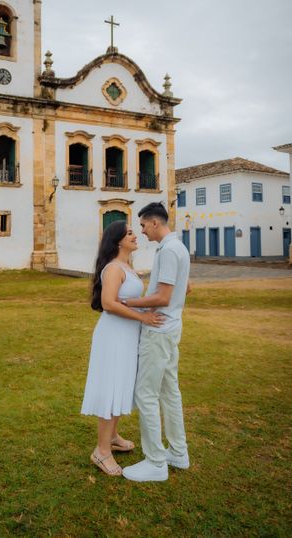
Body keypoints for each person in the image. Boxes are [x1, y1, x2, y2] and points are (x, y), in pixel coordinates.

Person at [81, 220, 165, 477]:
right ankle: (101, 451)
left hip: (127, 336)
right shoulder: (113, 269)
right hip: (114, 336)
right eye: (130, 233)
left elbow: (128, 300)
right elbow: (108, 303)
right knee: (111, 388)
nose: (135, 235)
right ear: (118, 240)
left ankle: (113, 437)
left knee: (122, 386)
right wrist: (143, 318)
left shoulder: (127, 266)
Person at [121, 202, 191, 482]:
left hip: (159, 330)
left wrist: (126, 302)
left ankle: (155, 462)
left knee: (146, 394)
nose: (142, 231)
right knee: (169, 391)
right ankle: (178, 452)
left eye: (143, 225)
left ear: (154, 223)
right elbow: (185, 287)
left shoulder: (170, 250)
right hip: (171, 327)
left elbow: (162, 297)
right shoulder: (178, 248)